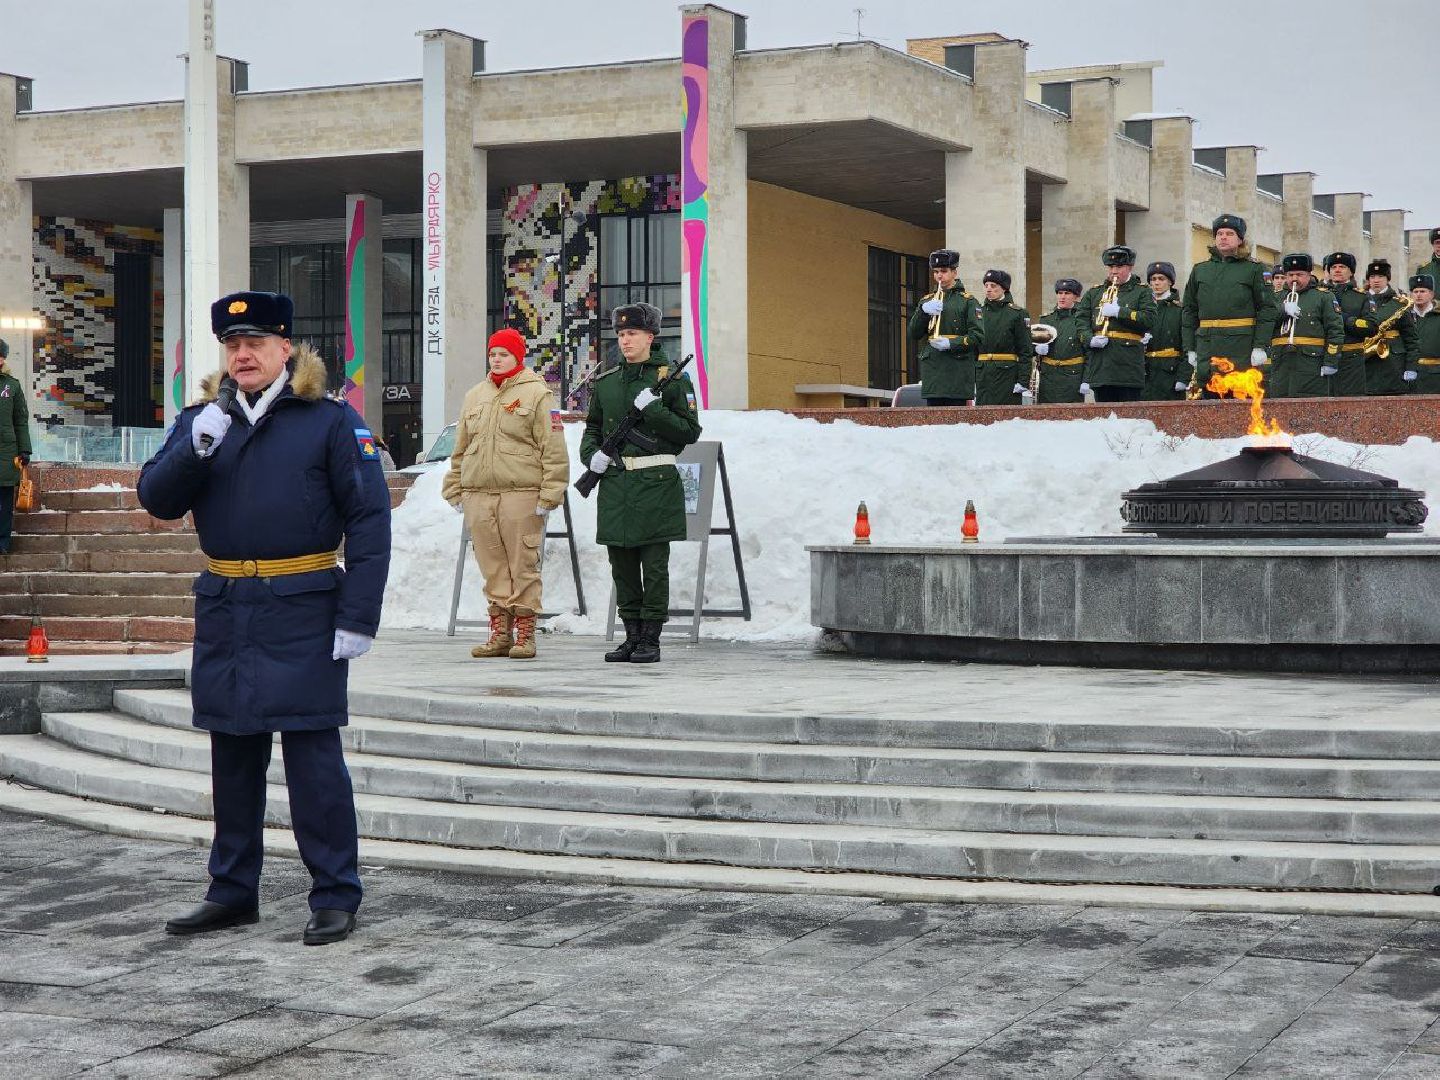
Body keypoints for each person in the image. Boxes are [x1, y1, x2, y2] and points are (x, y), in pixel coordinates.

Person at [137, 291, 391, 946]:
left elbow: (368, 518)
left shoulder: (328, 422)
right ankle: (232, 892)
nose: (242, 355)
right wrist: (195, 448)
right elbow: (156, 500)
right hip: (228, 608)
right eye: (232, 345)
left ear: (286, 350)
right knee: (234, 757)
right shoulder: (203, 420)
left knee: (313, 760)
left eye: (255, 343)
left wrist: (359, 613)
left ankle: (335, 893)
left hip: (304, 605)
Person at [580, 303, 701, 664]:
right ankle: (631, 635)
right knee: (622, 564)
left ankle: (651, 638)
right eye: (620, 334)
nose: (625, 340)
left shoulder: (674, 380)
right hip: (616, 484)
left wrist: (654, 409)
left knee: (654, 565)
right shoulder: (607, 383)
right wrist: (592, 457)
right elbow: (593, 429)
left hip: (655, 483)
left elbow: (689, 432)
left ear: (651, 337)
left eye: (632, 333)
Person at [441, 328, 569, 661]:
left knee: (522, 564)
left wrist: (550, 492)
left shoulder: (538, 394)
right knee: (492, 566)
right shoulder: (475, 396)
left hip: (521, 493)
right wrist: (454, 487)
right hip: (479, 494)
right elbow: (461, 448)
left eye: (504, 354)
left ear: (517, 357)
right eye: (493, 354)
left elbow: (552, 447)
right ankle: (500, 634)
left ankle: (525, 635)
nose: (496, 360)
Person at [1181, 213, 1277, 397]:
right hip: (1207, 346)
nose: (1223, 237)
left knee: (1241, 402)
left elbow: (1267, 309)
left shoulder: (1254, 269)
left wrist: (1260, 345)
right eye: (1219, 234)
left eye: (1229, 233)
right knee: (1209, 400)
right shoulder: (1200, 270)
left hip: (1240, 347)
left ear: (1240, 239)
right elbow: (1189, 310)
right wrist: (1190, 347)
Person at [1076, 245, 1156, 403]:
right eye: (1111, 267)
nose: (1114, 271)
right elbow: (1081, 320)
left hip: (1128, 365)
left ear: (1130, 267)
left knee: (1129, 415)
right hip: (1101, 364)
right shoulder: (1094, 293)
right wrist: (1089, 339)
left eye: (1119, 267)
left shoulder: (1142, 292)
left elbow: (1149, 319)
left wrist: (1120, 312)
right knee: (1104, 415)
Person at [908, 249, 980, 406]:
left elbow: (978, 337)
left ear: (954, 272)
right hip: (933, 371)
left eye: (944, 271)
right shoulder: (926, 301)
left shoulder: (968, 301)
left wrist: (951, 343)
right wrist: (923, 312)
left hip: (957, 372)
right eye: (936, 272)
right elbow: (913, 333)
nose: (939, 276)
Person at [1267, 254, 1344, 399]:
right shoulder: (1275, 297)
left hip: (1311, 365)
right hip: (1281, 364)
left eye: (1300, 274)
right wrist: (1282, 311)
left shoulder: (1323, 297)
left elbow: (1335, 331)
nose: (1294, 279)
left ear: (1309, 275)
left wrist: (1330, 361)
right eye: (1290, 275)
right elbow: (1265, 323)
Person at [972, 269, 1033, 406]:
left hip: (1007, 374)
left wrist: (1023, 380)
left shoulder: (1017, 314)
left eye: (993, 286)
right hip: (983, 373)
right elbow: (973, 348)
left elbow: (1025, 350)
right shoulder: (978, 313)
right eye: (986, 285)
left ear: (1004, 288)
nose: (988, 289)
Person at [1361, 259, 1419, 395]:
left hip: (1394, 365)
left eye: (1380, 276)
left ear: (1387, 279)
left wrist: (1411, 367)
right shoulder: (1359, 300)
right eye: (1372, 277)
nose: (1376, 280)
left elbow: (1411, 339)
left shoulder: (1399, 304)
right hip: (1366, 363)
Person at [0, 338, 33, 555]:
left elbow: (21, 420)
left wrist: (25, 449)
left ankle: (3, 541)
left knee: (4, 502)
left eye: (1, 355)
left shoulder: (12, 385)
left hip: (6, 451)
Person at [1033, 279, 1087, 404]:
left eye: (1067, 293)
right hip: (1048, 376)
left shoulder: (1081, 319)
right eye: (1060, 293)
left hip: (1072, 376)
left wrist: (1087, 379)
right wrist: (1036, 349)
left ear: (1076, 297)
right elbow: (1030, 344)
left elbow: (1089, 352)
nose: (1062, 297)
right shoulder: (1046, 319)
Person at [1323, 252, 1369, 397]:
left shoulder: (1362, 296)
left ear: (1351, 272)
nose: (1337, 270)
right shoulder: (1320, 294)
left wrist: (1342, 318)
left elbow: (1371, 326)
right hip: (1323, 356)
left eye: (1342, 266)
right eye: (1333, 267)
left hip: (1351, 359)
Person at [1141, 261, 1187, 401]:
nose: (1156, 283)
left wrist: (1183, 377)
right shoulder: (1143, 308)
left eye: (1161, 279)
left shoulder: (1179, 310)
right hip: (1145, 373)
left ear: (1170, 282)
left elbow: (1188, 346)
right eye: (1153, 279)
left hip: (1170, 374)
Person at [1409, 274, 1440, 394]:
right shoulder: (1404, 316)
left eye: (1423, 291)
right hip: (1411, 375)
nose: (1418, 294)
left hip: (1436, 377)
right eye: (1415, 291)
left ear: (1431, 294)